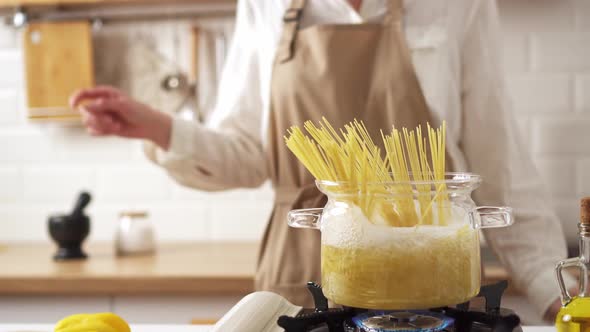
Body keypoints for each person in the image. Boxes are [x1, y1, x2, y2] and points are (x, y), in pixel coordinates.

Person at [70, 0, 576, 321]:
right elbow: (249, 155)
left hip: (432, 275)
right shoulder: (267, 6)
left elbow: (501, 166)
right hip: (301, 268)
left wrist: (564, 297)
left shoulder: (457, 6)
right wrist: (160, 128)